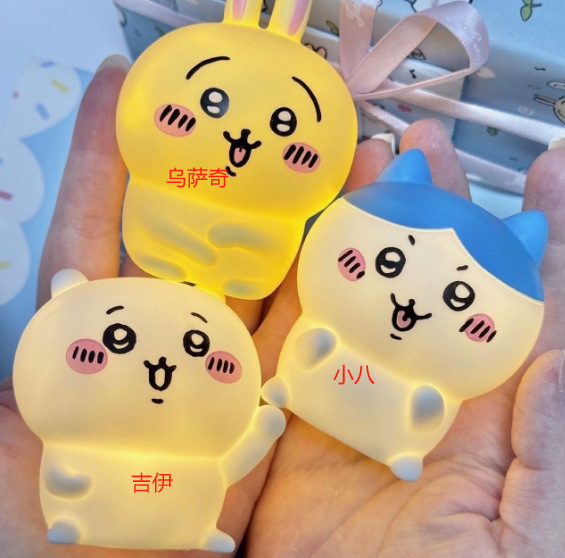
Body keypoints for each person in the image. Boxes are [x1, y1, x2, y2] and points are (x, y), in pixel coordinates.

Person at [0, 54, 564, 558]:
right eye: (389, 262)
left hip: (348, 399)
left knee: (357, 381)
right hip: (172, 466)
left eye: (459, 299)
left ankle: (372, 430)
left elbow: (230, 457)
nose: (413, 298)